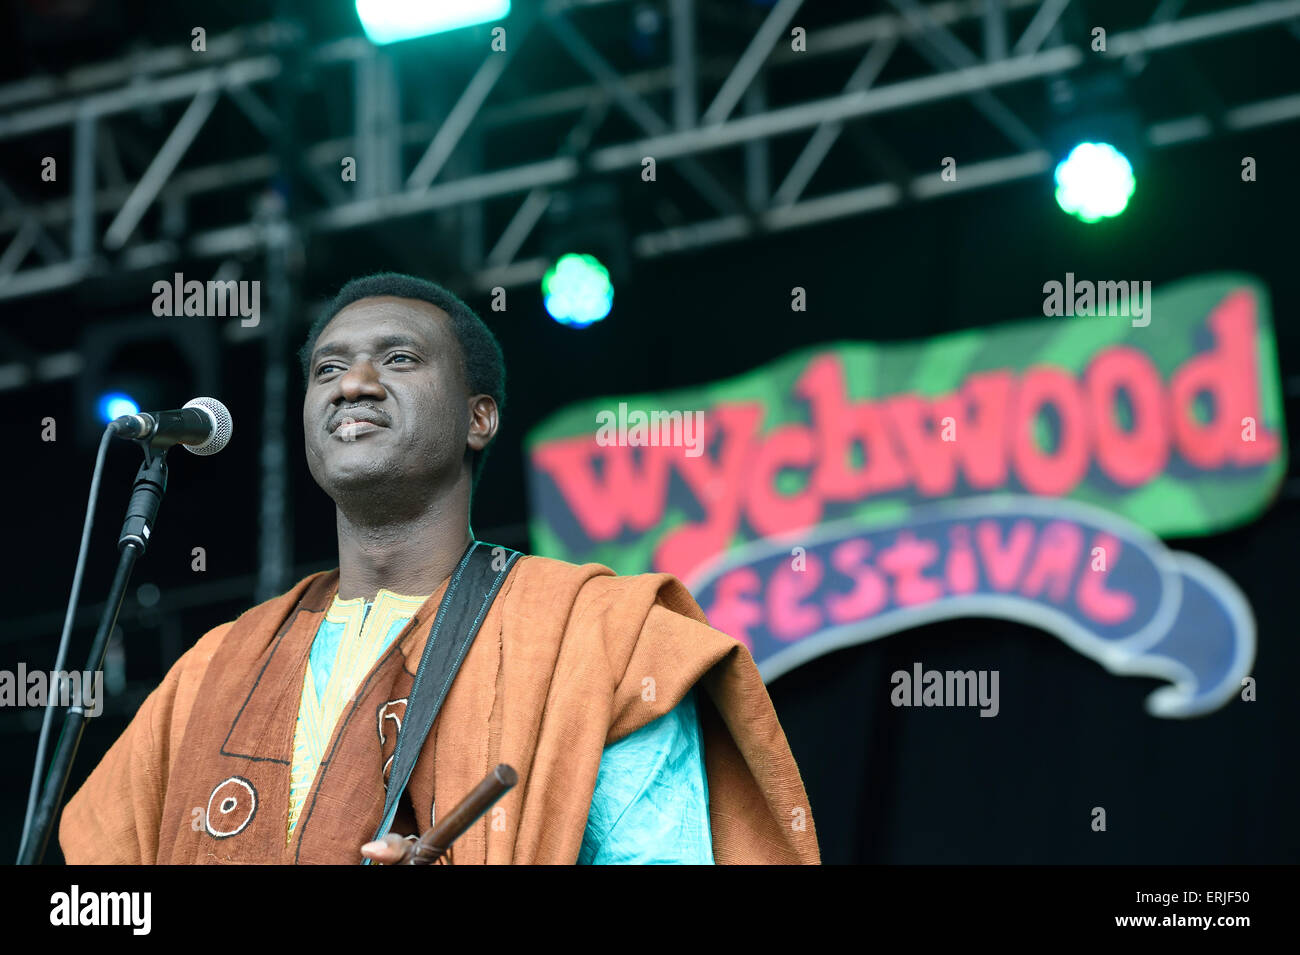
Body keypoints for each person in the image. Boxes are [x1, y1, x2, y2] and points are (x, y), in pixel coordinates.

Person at [58, 272, 820, 865]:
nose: (352, 383)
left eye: (397, 358)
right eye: (327, 370)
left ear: (477, 418)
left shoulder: (598, 639)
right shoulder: (212, 668)